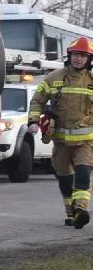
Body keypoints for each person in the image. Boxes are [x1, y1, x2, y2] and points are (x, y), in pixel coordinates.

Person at [29, 36, 93, 229]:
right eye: (76, 55)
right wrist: (34, 120)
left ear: (89, 59)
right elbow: (37, 100)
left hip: (86, 142)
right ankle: (71, 212)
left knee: (82, 175)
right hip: (61, 142)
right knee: (65, 179)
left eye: (83, 56)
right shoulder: (54, 78)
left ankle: (81, 208)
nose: (79, 59)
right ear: (69, 56)